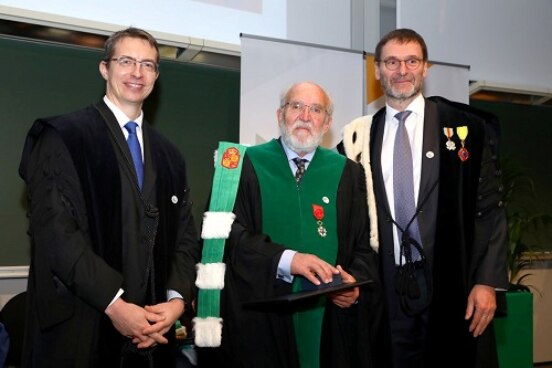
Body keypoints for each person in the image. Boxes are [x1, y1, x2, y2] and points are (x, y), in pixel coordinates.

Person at [18, 27, 201, 367]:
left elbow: (185, 240)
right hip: (83, 328)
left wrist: (175, 301)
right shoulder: (63, 138)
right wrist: (115, 305)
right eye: (126, 61)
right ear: (105, 68)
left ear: (157, 76)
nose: (137, 72)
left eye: (148, 65)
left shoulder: (170, 156)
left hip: (153, 332)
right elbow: (57, 235)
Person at [340, 28, 509, 367]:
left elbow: (489, 209)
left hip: (452, 285)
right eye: (391, 62)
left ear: (425, 67)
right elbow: (348, 220)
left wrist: (487, 282)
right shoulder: (356, 139)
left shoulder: (465, 129)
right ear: (377, 71)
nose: (402, 70)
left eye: (411, 61)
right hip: (386, 288)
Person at [198, 82, 388, 368]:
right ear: (279, 115)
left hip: (329, 322)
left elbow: (363, 245)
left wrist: (354, 284)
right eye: (296, 106)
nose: (305, 116)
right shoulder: (243, 165)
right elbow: (228, 237)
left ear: (328, 122)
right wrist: (287, 260)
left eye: (316, 109)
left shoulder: (348, 173)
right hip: (261, 320)